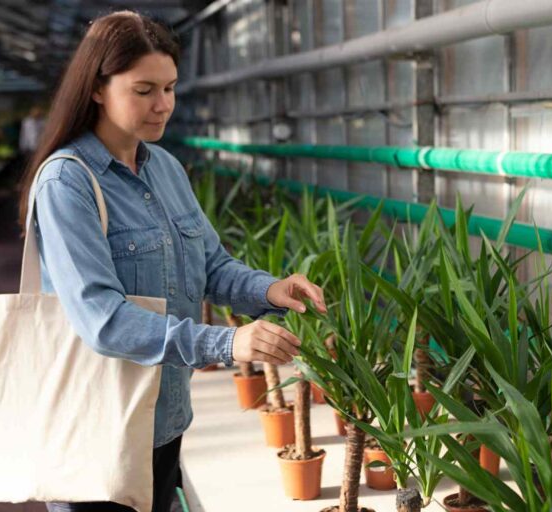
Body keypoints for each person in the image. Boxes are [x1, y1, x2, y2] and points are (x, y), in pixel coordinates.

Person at [17, 11, 326, 512]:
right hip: (100, 431)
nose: (163, 106)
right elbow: (104, 321)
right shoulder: (65, 183)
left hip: (165, 419)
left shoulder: (165, 168)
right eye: (143, 90)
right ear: (97, 88)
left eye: (170, 88)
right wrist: (229, 342)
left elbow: (212, 266)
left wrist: (270, 290)